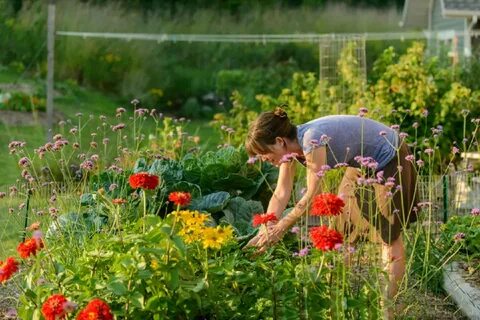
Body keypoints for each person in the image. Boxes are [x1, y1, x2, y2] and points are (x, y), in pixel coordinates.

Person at [245, 107, 418, 319]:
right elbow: (281, 193)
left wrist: (282, 226)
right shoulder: (289, 153)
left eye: (264, 153)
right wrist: (266, 227)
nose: (263, 158)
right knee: (342, 229)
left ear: (280, 141)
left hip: (390, 156)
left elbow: (312, 195)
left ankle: (387, 307)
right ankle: (337, 298)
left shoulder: (312, 140)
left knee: (388, 236)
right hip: (360, 163)